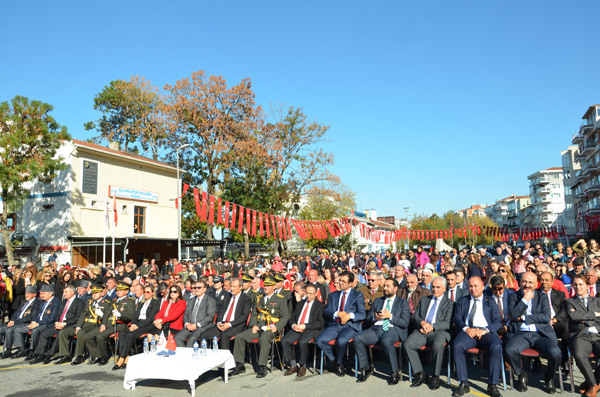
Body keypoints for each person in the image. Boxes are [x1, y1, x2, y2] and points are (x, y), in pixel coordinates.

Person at [505, 272, 560, 394]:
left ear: (536, 284)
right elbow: (513, 315)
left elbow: (546, 317)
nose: (527, 285)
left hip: (541, 334)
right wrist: (525, 300)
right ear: (519, 282)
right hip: (520, 334)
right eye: (524, 281)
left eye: (531, 282)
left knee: (556, 353)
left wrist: (524, 317)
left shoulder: (542, 297)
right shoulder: (513, 296)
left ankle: (549, 378)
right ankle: (521, 374)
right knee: (509, 350)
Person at [452, 277, 503, 397]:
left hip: (485, 332)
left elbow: (497, 321)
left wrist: (485, 330)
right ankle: (463, 383)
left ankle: (492, 385)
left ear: (482, 286)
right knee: (457, 345)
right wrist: (466, 329)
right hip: (468, 331)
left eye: (475, 286)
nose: (473, 289)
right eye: (470, 286)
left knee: (496, 346)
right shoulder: (462, 300)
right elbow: (457, 318)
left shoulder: (490, 300)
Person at [231, 275, 290, 378]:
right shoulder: (259, 298)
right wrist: (253, 325)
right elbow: (254, 313)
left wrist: (277, 327)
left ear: (273, 287)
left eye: (268, 285)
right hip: (259, 326)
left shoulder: (280, 299)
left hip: (271, 327)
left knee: (264, 338)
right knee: (240, 337)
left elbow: (285, 317)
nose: (266, 287)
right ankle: (239, 365)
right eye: (265, 285)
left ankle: (262, 366)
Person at [353, 278, 409, 385]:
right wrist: (374, 318)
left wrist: (390, 316)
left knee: (386, 340)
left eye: (388, 286)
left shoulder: (402, 302)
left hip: (392, 329)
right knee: (357, 338)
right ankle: (365, 368)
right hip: (376, 328)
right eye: (384, 286)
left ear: (395, 288)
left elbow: (405, 322)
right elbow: (367, 319)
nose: (385, 288)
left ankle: (394, 371)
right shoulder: (378, 301)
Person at [405, 276, 454, 389]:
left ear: (444, 288)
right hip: (422, 330)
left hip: (439, 332)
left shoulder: (450, 303)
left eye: (438, 287)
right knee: (408, 344)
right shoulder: (424, 299)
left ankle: (435, 376)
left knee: (437, 345)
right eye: (433, 286)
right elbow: (416, 316)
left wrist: (431, 326)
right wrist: (422, 323)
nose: (435, 289)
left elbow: (447, 323)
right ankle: (420, 374)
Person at [316, 271, 366, 377]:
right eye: (340, 281)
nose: (340, 283)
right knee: (320, 340)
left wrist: (349, 315)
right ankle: (336, 362)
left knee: (341, 341)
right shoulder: (333, 295)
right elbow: (327, 311)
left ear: (351, 283)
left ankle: (339, 362)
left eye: (344, 281)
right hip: (335, 324)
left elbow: (362, 314)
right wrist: (337, 313)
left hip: (350, 326)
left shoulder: (358, 295)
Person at [79, 281, 137, 366]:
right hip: (108, 324)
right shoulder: (113, 302)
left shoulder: (130, 301)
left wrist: (120, 315)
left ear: (126, 291)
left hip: (119, 325)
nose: (118, 292)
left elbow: (131, 316)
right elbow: (106, 314)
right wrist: (103, 324)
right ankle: (97, 355)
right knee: (88, 336)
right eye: (117, 290)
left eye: (121, 290)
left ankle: (104, 356)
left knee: (100, 336)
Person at [55, 284, 112, 364]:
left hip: (97, 325)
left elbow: (107, 316)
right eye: (93, 293)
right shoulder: (89, 302)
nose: (94, 295)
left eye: (96, 293)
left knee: (83, 334)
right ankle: (68, 355)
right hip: (86, 324)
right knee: (65, 332)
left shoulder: (106, 303)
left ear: (101, 293)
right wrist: (78, 326)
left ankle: (87, 355)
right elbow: (82, 316)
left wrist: (103, 323)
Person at [30, 285, 85, 364]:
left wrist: (64, 324)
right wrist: (57, 322)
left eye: (66, 292)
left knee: (60, 334)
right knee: (44, 333)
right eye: (63, 292)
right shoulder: (64, 302)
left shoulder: (79, 302)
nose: (64, 294)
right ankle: (40, 354)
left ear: (72, 292)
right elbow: (58, 315)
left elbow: (78, 317)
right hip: (60, 324)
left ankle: (50, 355)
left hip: (71, 325)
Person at [564, 274, 600, 397]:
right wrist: (595, 314)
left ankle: (593, 381)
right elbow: (573, 316)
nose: (577, 287)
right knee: (579, 355)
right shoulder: (569, 301)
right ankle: (594, 385)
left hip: (598, 334)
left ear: (588, 286)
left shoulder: (597, 301)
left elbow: (579, 316)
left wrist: (584, 318)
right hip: (580, 336)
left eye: (580, 284)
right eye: (575, 284)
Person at [112, 284, 160, 370]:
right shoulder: (141, 303)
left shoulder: (155, 303)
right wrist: (133, 324)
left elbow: (150, 319)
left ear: (153, 293)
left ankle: (121, 358)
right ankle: (126, 358)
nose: (145, 293)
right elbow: (135, 316)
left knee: (131, 335)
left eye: (148, 292)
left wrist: (137, 326)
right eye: (144, 292)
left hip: (148, 325)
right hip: (138, 323)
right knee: (123, 333)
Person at [282, 282, 325, 377]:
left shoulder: (320, 305)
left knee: (302, 342)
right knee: (285, 341)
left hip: (310, 329)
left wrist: (305, 326)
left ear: (315, 294)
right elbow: (292, 317)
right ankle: (293, 365)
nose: (308, 295)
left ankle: (302, 365)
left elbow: (320, 323)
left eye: (311, 294)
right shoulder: (300, 303)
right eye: (307, 293)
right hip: (297, 327)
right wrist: (293, 325)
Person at [199, 278, 252, 350]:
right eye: (231, 286)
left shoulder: (246, 299)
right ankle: (206, 357)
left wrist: (229, 324)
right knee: (204, 335)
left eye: (234, 287)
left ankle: (224, 359)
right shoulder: (227, 296)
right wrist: (219, 322)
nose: (232, 288)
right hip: (223, 323)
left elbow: (244, 316)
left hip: (235, 325)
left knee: (224, 335)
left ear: (240, 287)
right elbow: (221, 311)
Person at [14, 284, 60, 359]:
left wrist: (38, 324)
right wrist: (33, 321)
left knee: (35, 331)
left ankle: (32, 350)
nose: (42, 295)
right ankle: (21, 349)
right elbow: (37, 314)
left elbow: (52, 318)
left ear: (50, 293)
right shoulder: (43, 302)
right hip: (37, 323)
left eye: (44, 293)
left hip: (47, 324)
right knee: (18, 329)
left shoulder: (55, 302)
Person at [538, 271, 569, 366]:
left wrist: (555, 319)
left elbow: (565, 309)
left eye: (547, 280)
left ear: (552, 282)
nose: (544, 282)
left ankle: (564, 359)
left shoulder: (559, 294)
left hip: (556, 322)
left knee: (566, 328)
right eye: (542, 280)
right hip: (541, 323)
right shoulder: (535, 294)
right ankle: (536, 360)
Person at [0, 285, 40, 358]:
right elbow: (16, 312)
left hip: (26, 323)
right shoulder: (24, 302)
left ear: (34, 294)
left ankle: (16, 349)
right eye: (25, 293)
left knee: (9, 330)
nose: (26, 295)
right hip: (16, 322)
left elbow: (30, 317)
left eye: (29, 293)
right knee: (1, 328)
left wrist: (15, 322)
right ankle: (4, 347)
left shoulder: (37, 303)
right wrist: (11, 320)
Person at [175, 280, 217, 347]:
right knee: (177, 338)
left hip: (203, 326)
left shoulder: (210, 300)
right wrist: (186, 323)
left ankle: (190, 356)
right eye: (195, 288)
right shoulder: (191, 300)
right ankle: (185, 355)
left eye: (199, 287)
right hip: (190, 326)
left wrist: (197, 325)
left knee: (191, 340)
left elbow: (210, 317)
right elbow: (186, 314)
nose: (196, 289)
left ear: (204, 289)